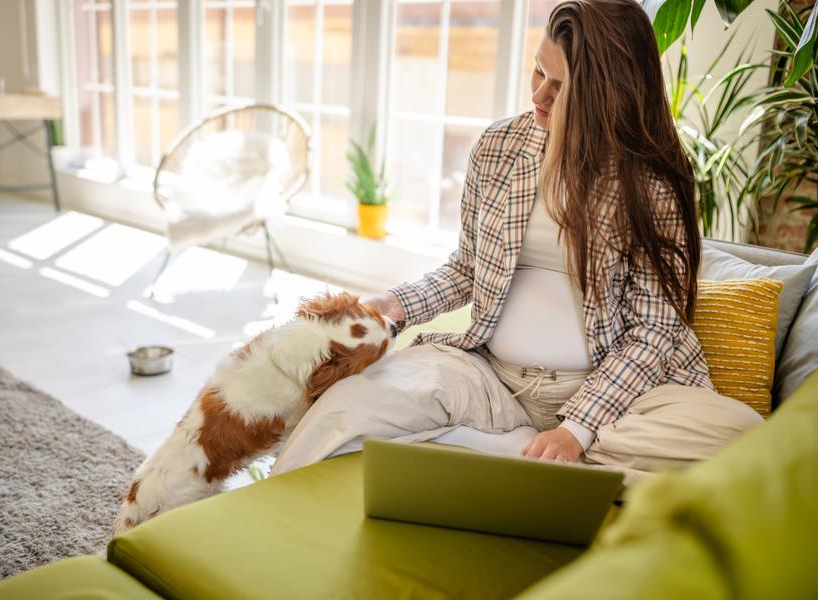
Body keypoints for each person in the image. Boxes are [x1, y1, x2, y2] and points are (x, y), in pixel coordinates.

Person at [270, 0, 762, 483]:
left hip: (616, 398)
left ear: (609, 94)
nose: (540, 95)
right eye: (537, 72)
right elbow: (468, 267)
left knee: (743, 435)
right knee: (347, 406)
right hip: (492, 378)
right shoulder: (499, 146)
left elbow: (654, 331)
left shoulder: (653, 181)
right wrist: (394, 305)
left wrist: (578, 427)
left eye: (561, 85)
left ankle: (511, 452)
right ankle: (538, 462)